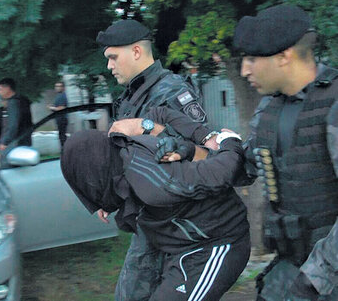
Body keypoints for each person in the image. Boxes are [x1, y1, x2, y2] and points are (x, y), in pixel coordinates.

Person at [95, 19, 220, 301]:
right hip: (149, 218)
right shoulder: (133, 95)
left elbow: (198, 153)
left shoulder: (173, 91)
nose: (109, 66)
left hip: (176, 222)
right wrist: (110, 194)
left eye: (113, 57)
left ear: (137, 51)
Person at [61, 125, 250, 301]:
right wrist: (104, 200)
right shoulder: (123, 158)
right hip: (183, 247)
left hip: (218, 246)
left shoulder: (149, 181)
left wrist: (229, 141)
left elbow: (220, 173)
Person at [233, 4, 338, 301]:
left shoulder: (333, 104)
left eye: (252, 59)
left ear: (284, 56)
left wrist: (313, 282)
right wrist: (186, 150)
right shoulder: (271, 107)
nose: (244, 69)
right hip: (293, 265)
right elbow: (244, 167)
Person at [0, 78, 33, 150]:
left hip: (14, 143)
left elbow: (13, 124)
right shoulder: (22, 100)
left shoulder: (13, 103)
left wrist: (5, 142)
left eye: (0, 89)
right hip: (24, 140)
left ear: (7, 88)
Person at [48, 81, 68, 150]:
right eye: (56, 86)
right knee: (61, 136)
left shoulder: (62, 96)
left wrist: (52, 108)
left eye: (59, 86)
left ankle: (65, 150)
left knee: (62, 136)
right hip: (59, 119)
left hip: (62, 119)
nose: (57, 88)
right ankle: (64, 149)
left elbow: (62, 108)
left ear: (63, 88)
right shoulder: (58, 96)